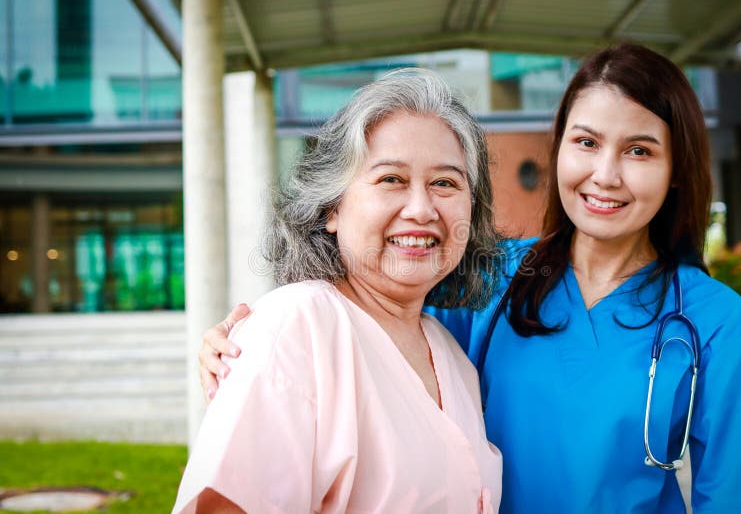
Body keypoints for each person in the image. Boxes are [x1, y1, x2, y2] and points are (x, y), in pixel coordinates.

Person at [199, 44, 741, 513]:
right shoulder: (490, 275)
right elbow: (367, 315)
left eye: (640, 151)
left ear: (676, 171)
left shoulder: (712, 322)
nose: (605, 175)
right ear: (559, 149)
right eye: (586, 142)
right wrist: (248, 338)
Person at [173, 69, 503, 514]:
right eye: (391, 179)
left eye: (445, 183)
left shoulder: (450, 355)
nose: (422, 209)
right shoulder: (295, 328)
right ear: (332, 207)